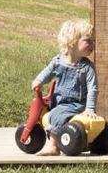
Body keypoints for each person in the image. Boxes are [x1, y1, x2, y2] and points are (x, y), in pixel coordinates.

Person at [31, 19, 99, 157]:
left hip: (76, 105)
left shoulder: (87, 67)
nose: (93, 45)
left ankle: (53, 147)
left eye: (93, 41)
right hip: (58, 103)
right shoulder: (58, 61)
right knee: (53, 111)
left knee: (56, 115)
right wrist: (39, 80)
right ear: (72, 42)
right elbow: (47, 72)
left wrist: (89, 108)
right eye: (88, 41)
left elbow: (93, 89)